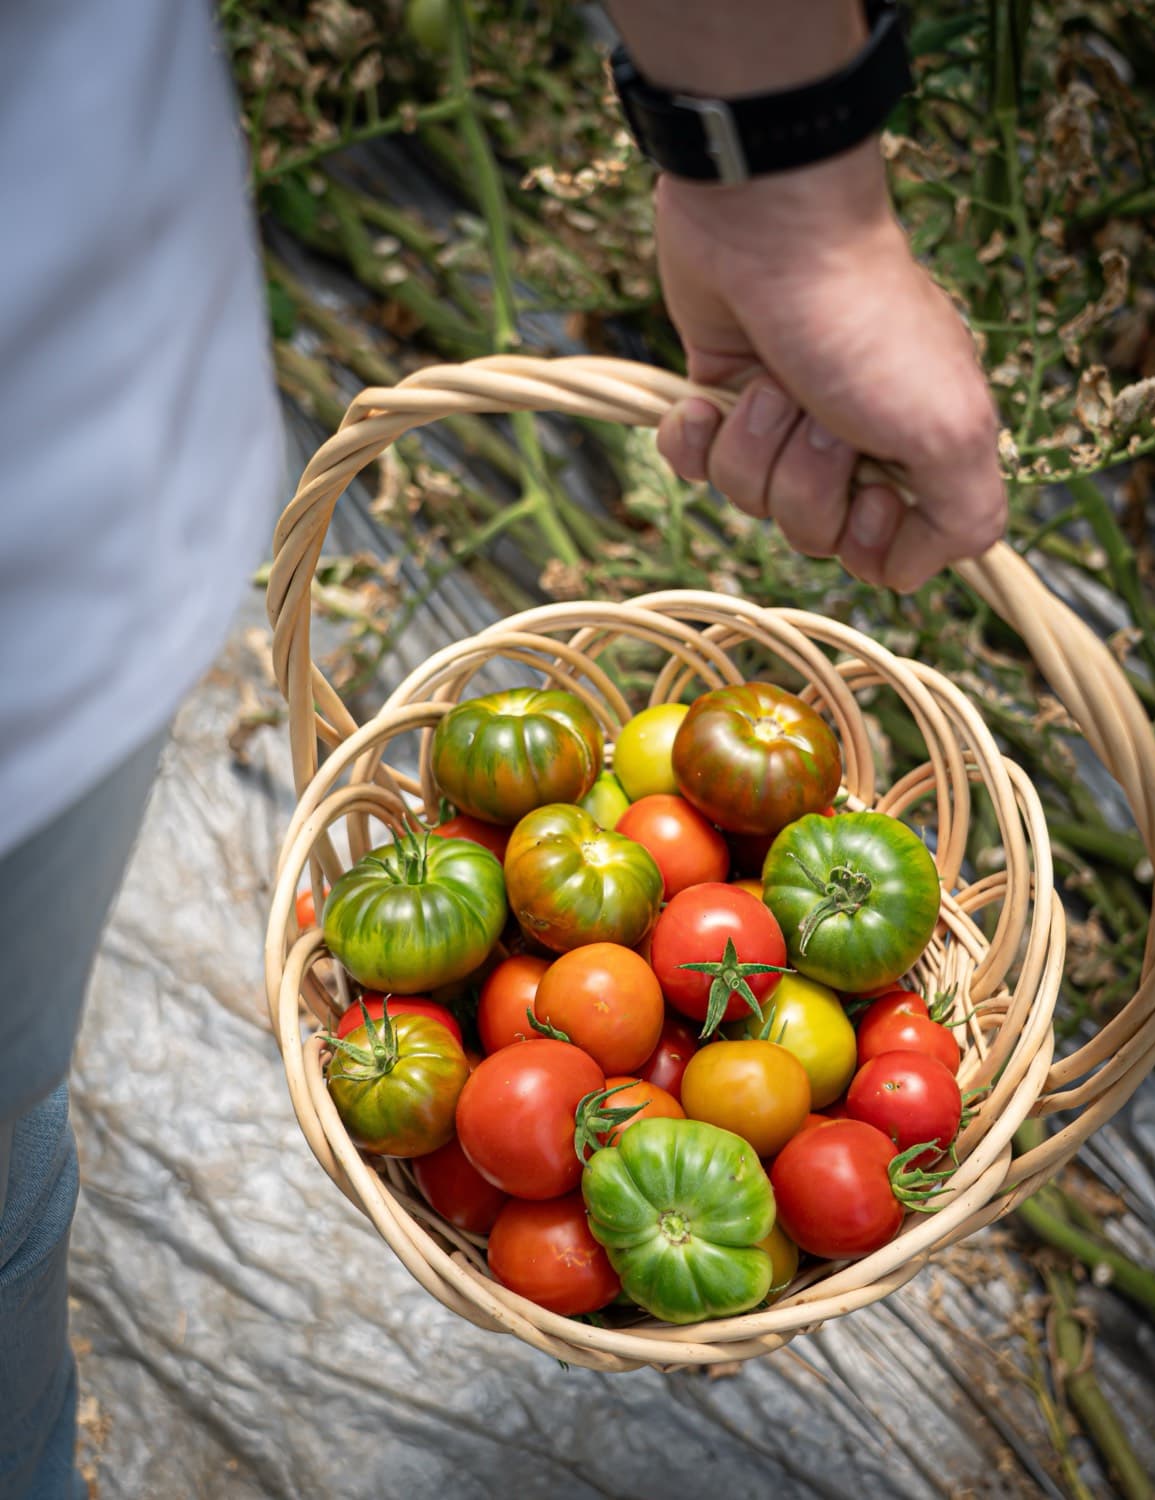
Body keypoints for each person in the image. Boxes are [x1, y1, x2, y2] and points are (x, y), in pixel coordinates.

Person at [0, 1, 1004, 1494]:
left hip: (56, 549)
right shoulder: (655, 969)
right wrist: (781, 176)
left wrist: (787, 198)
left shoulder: (646, 964)